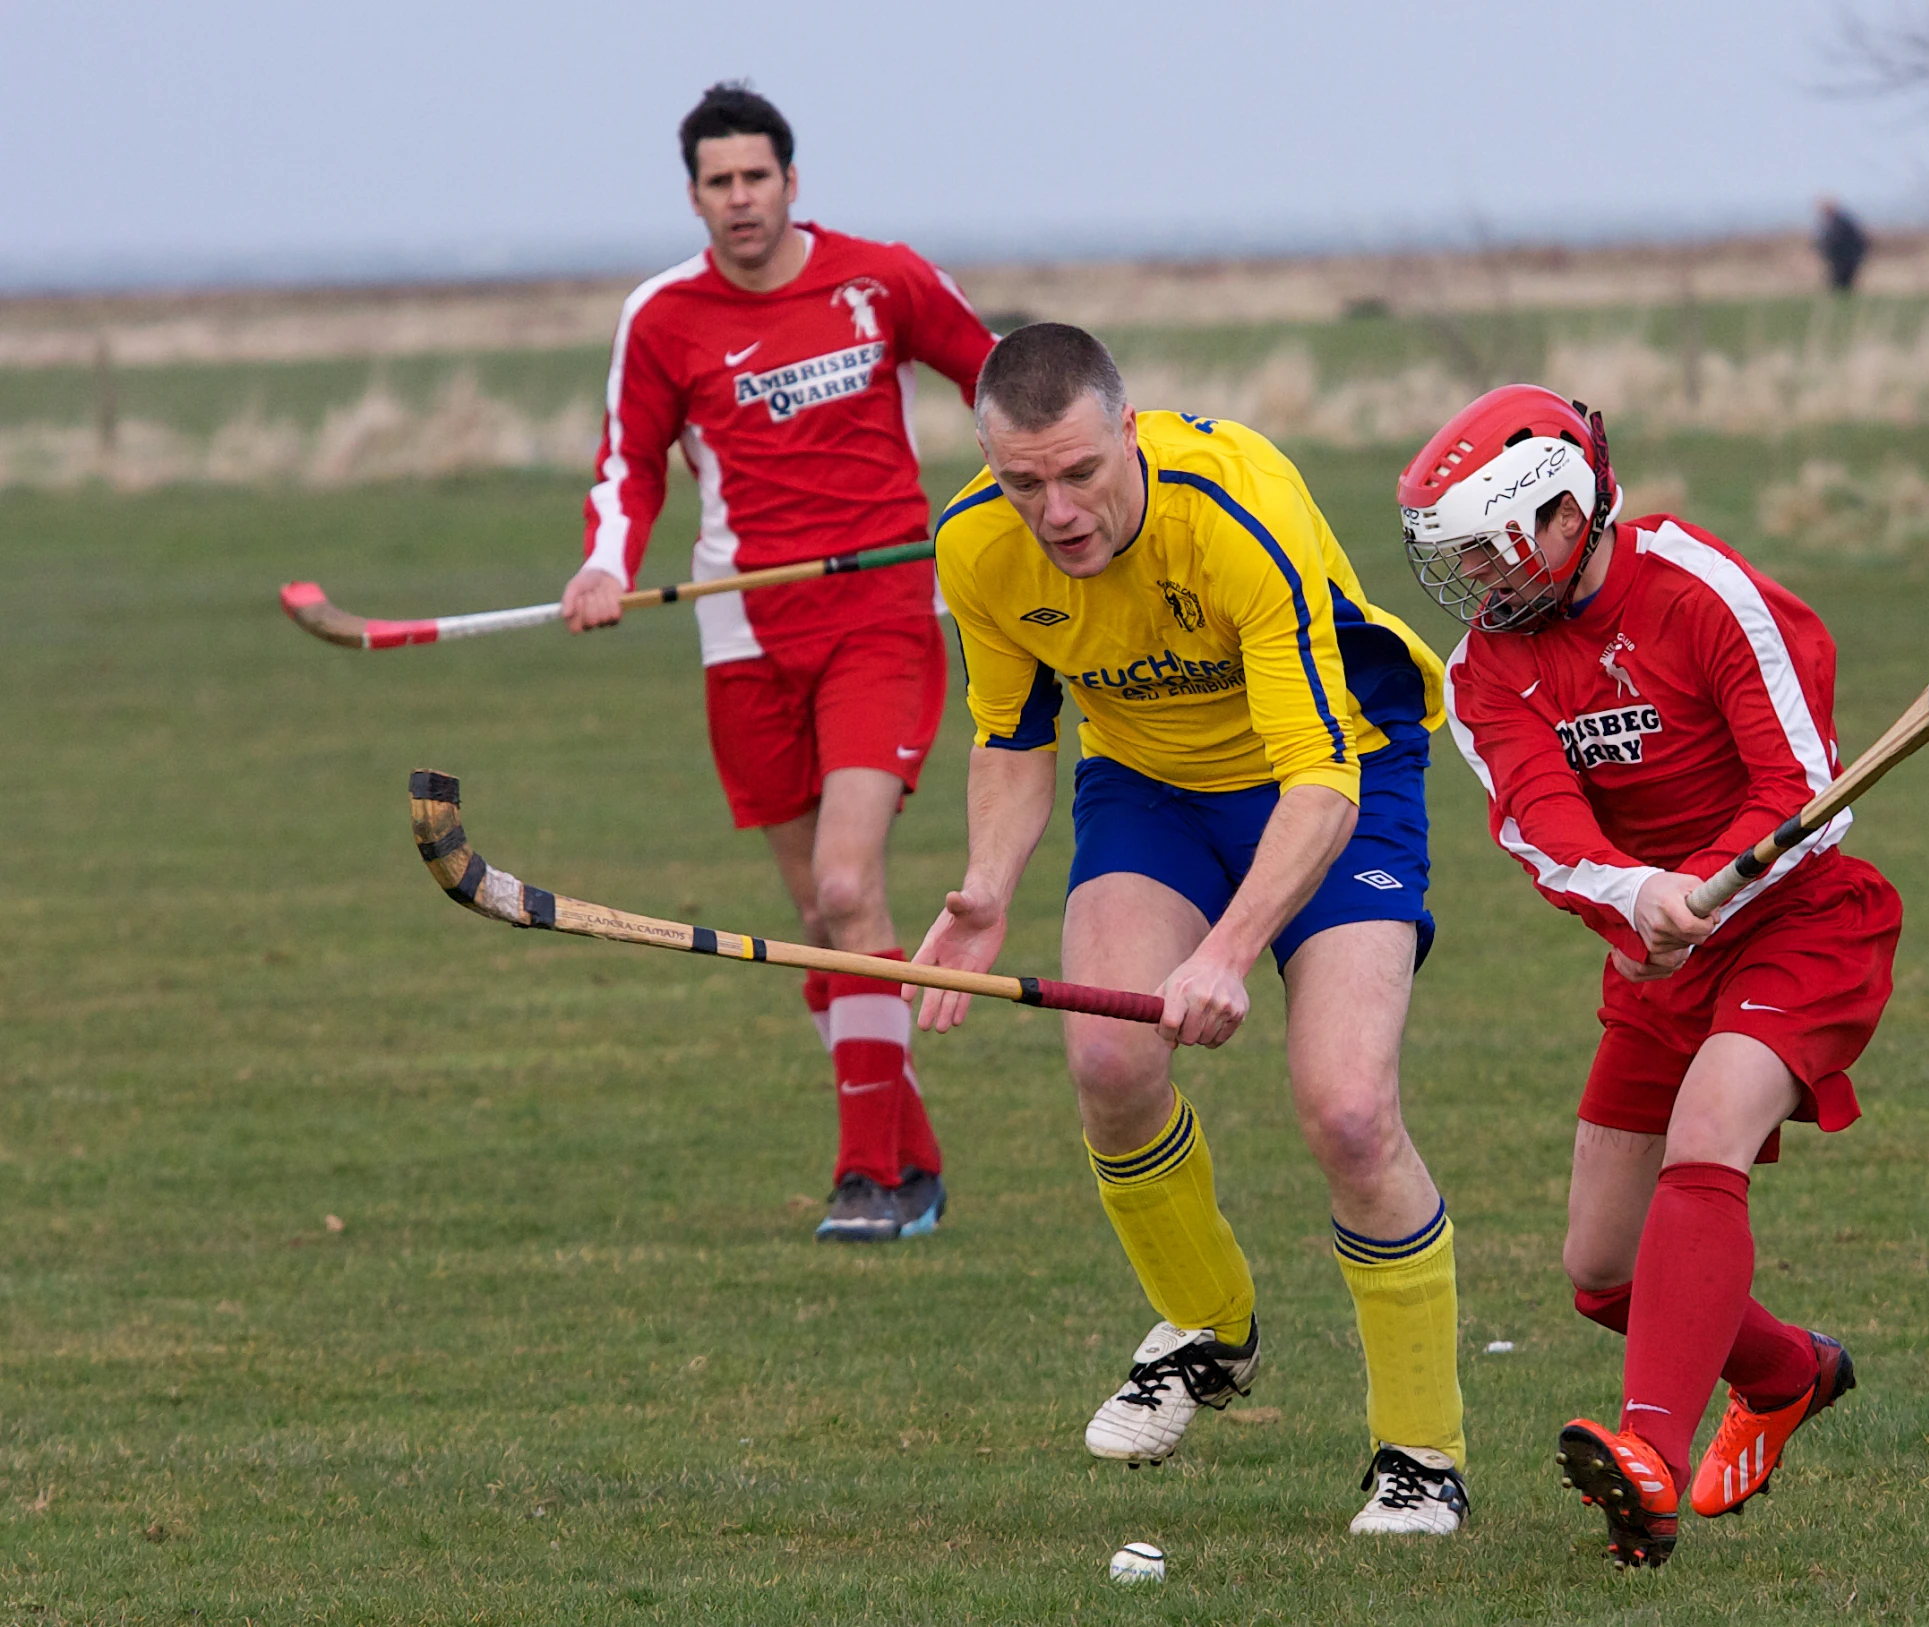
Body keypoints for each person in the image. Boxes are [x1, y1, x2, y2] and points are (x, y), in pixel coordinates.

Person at [910, 323, 1470, 1533]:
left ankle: (1421, 1455)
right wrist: (985, 890)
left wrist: (1225, 950)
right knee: (1109, 1058)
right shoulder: (975, 550)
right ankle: (1209, 1330)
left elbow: (1319, 775)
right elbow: (1012, 736)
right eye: (1021, 483)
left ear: (1128, 430)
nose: (1054, 512)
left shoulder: (1233, 511)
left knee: (1348, 1109)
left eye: (1078, 473)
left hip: (1337, 775)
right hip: (1150, 787)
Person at [1403, 385, 1900, 1568]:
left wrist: (1711, 879)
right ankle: (1788, 1376)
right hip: (1657, 957)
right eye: (1458, 555)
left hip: (1798, 921)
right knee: (1600, 1270)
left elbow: (1803, 792)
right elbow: (1542, 827)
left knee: (1707, 1137)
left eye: (1487, 546)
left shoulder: (1701, 591)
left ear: (1563, 512)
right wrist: (1640, 896)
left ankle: (1649, 1457)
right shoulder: (1485, 675)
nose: (1475, 575)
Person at [560, 82, 996, 1243]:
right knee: (818, 917)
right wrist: (606, 564)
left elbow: (995, 378)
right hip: (744, 629)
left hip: (882, 615)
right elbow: (630, 463)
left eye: (758, 177)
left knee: (850, 890)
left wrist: (1029, 493)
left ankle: (868, 1179)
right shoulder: (662, 316)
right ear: (695, 195)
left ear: (792, 183)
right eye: (719, 182)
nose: (740, 199)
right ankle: (917, 1163)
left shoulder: (880, 278)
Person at [1815, 199, 1869, 293]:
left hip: (1846, 260)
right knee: (1838, 285)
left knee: (1842, 284)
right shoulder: (1836, 222)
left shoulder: (1840, 223)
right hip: (1840, 260)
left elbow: (1837, 242)